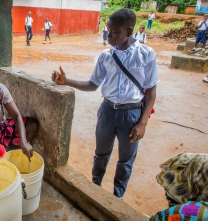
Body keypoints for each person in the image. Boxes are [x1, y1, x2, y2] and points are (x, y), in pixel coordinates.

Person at [51, 8, 158, 199]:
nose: (109, 36)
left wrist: (142, 123)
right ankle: (95, 188)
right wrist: (66, 81)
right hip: (107, 111)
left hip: (132, 115)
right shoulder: (105, 56)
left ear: (130, 31)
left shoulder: (146, 54)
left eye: (115, 32)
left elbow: (150, 91)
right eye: (108, 31)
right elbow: (92, 85)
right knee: (101, 154)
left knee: (126, 160)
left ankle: (117, 197)